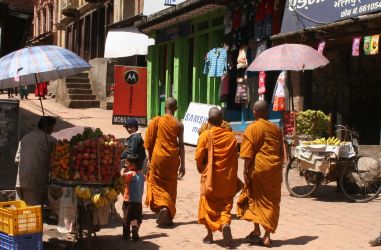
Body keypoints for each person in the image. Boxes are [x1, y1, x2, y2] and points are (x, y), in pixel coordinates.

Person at [237, 100, 284, 248]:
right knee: (271, 201)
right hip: (273, 170)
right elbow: (281, 153)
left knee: (254, 198)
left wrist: (245, 170)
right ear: (268, 113)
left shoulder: (253, 128)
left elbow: (247, 153)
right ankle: (265, 235)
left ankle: (258, 230)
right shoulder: (276, 129)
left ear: (254, 113)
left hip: (258, 169)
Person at [195, 107, 239, 247]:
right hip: (226, 178)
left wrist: (202, 169)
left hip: (210, 179)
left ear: (208, 120)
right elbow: (234, 159)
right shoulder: (231, 137)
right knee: (225, 204)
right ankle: (225, 223)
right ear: (222, 121)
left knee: (207, 204)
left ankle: (209, 236)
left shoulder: (205, 135)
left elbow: (198, 157)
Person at [144, 97, 185, 226]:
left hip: (158, 156)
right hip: (172, 158)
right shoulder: (179, 124)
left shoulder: (157, 121)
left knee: (155, 182)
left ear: (164, 107)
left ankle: (163, 206)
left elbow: (148, 141)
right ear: (176, 108)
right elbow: (182, 145)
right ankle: (167, 210)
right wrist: (183, 165)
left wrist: (148, 159)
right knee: (171, 185)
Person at [15, 116, 57, 206]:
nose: (52, 130)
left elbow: (17, 159)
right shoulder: (50, 140)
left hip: (20, 180)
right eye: (52, 127)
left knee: (21, 210)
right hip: (35, 181)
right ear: (47, 127)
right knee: (32, 212)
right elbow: (55, 163)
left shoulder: (25, 138)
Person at [120, 155, 145, 241]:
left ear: (133, 165)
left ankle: (126, 236)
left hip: (129, 201)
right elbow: (144, 179)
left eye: (127, 163)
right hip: (138, 202)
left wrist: (123, 168)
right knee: (135, 217)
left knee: (126, 219)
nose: (126, 165)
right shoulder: (141, 174)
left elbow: (122, 175)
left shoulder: (130, 174)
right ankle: (135, 227)